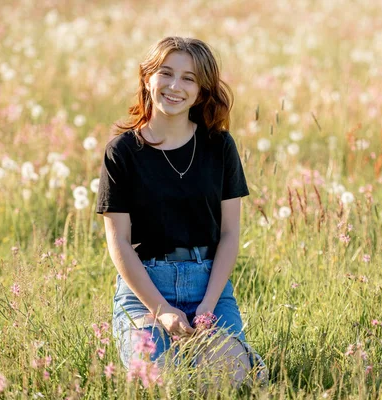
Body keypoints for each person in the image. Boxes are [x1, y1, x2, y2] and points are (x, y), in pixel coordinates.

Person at [96, 36, 267, 387]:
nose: (175, 86)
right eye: (166, 73)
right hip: (145, 288)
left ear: (202, 91)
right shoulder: (122, 152)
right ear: (147, 78)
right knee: (162, 383)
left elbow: (231, 233)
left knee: (220, 380)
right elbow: (120, 245)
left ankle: (246, 362)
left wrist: (208, 304)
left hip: (209, 284)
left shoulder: (219, 146)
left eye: (189, 78)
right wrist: (161, 310)